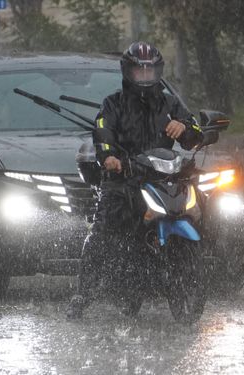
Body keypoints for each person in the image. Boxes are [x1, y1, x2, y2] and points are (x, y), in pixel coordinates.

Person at [66, 41, 204, 319]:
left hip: (163, 178)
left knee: (199, 206)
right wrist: (108, 157)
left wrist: (186, 128)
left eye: (150, 71)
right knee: (103, 230)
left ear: (158, 72)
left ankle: (183, 270)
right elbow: (102, 130)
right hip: (124, 179)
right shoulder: (113, 104)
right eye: (140, 71)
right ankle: (83, 292)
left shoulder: (170, 103)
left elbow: (196, 132)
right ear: (128, 72)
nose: (145, 76)